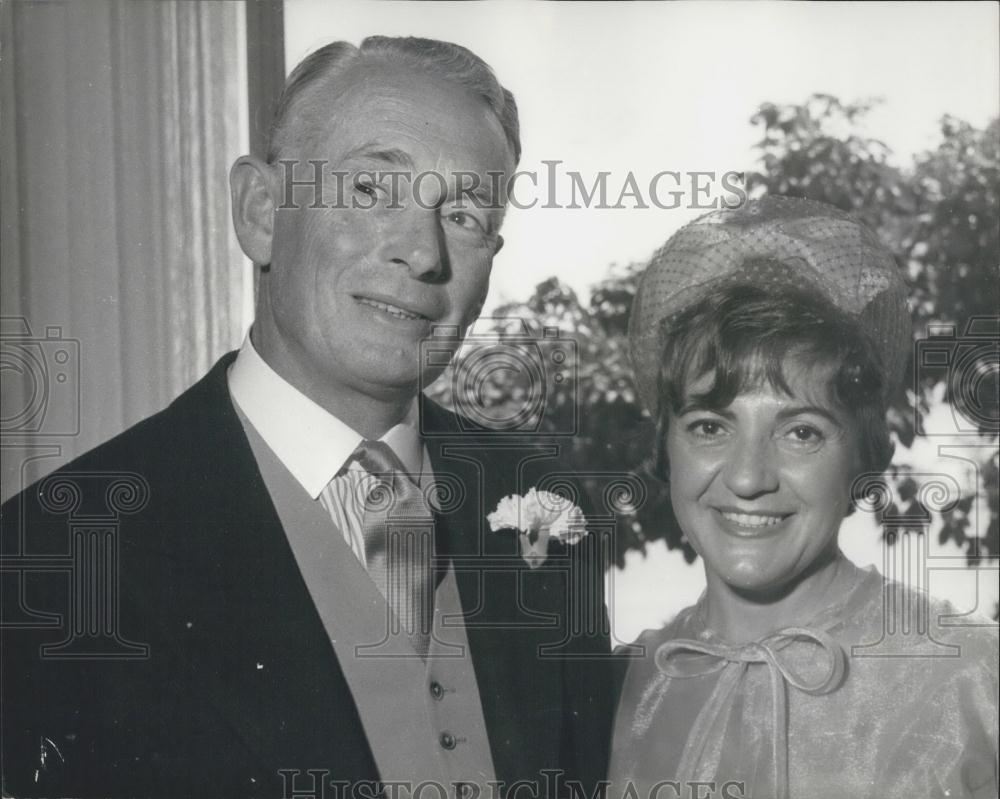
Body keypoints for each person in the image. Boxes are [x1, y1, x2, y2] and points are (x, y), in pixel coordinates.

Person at [1, 37, 613, 797]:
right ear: (260, 212)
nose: (422, 254)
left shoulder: (542, 505)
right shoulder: (54, 555)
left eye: (463, 214)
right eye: (370, 190)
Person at [609, 196, 998, 799]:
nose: (747, 477)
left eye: (801, 433)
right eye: (711, 426)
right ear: (665, 446)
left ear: (863, 458)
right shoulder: (625, 687)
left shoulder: (972, 678)